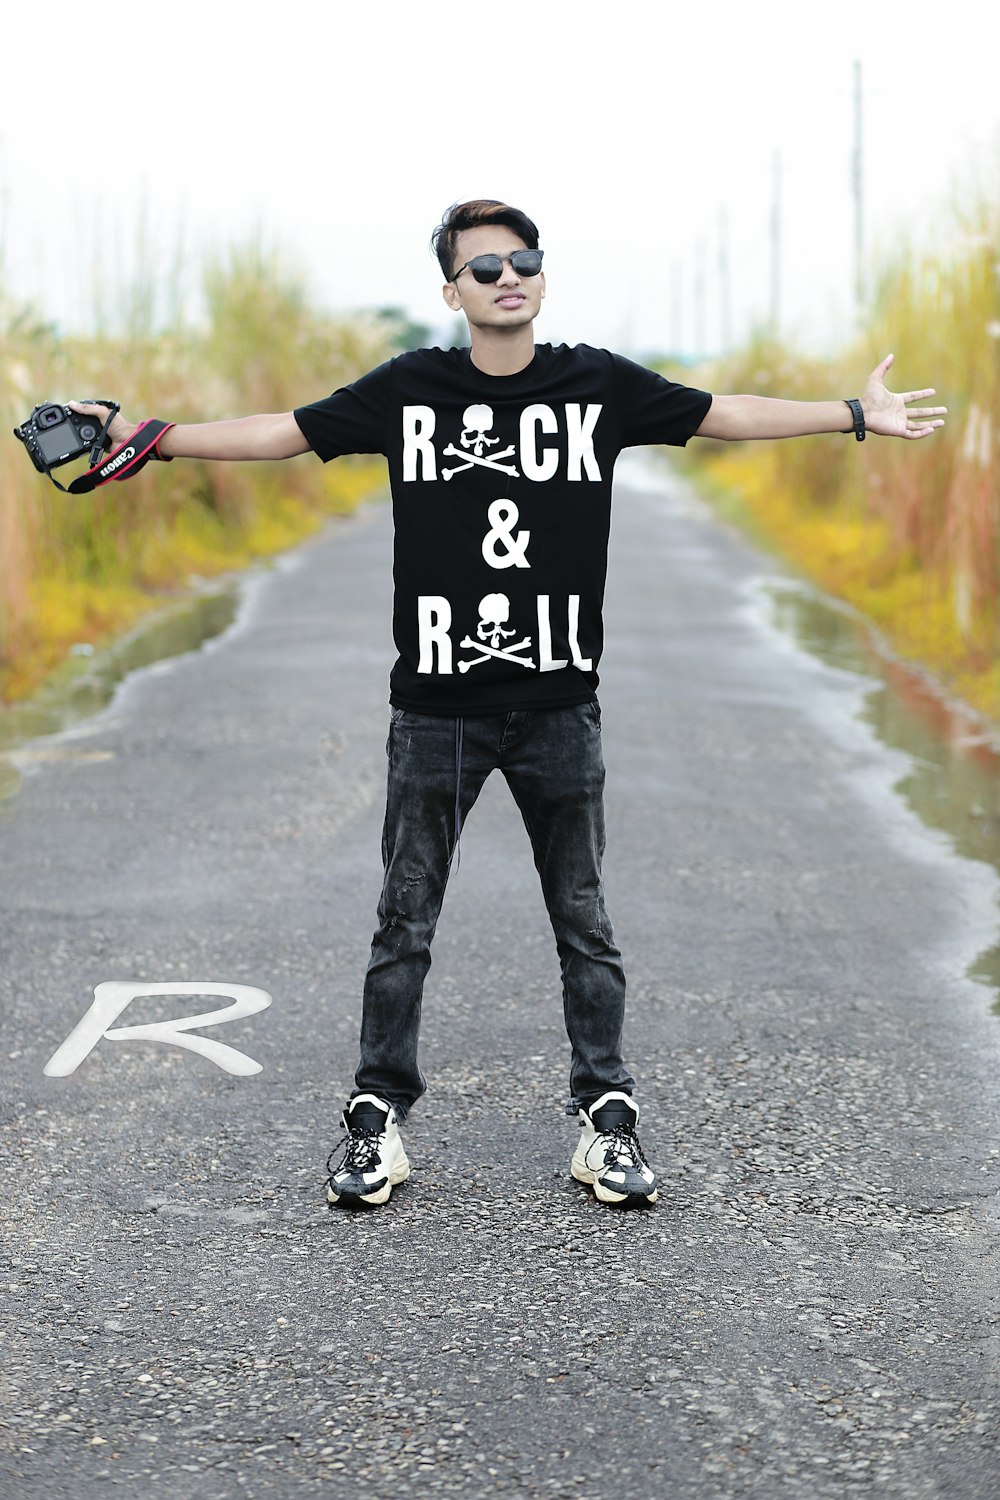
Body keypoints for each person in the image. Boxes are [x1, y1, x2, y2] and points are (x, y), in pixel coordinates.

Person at [71, 199, 946, 1210]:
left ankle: (605, 1118)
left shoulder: (598, 384)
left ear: (541, 274)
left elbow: (723, 413)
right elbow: (283, 432)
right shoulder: (410, 390)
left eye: (522, 260)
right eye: (482, 268)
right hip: (436, 708)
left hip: (559, 709)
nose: (506, 277)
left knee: (584, 923)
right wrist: (148, 437)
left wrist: (851, 414)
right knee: (405, 921)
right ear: (451, 291)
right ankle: (376, 1118)